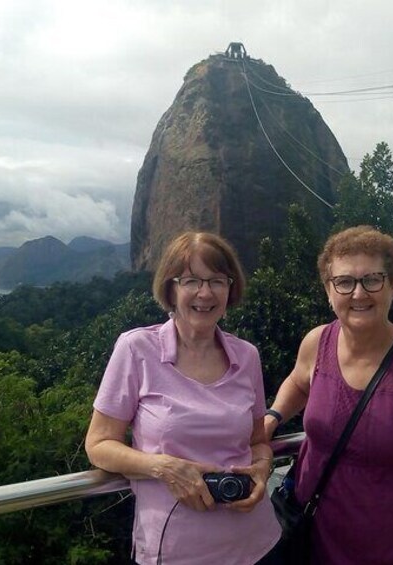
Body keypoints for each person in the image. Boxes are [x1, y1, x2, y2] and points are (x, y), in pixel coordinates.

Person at [264, 226, 393, 564]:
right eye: (344, 282)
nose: (358, 294)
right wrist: (273, 417)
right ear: (328, 290)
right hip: (312, 541)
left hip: (391, 552)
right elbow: (299, 382)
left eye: (372, 280)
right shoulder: (318, 342)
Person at [85, 232, 282, 565]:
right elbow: (99, 444)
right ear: (171, 288)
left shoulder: (246, 356)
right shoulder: (136, 349)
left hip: (257, 543)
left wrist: (262, 471)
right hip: (175, 550)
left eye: (217, 281)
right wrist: (165, 467)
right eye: (191, 280)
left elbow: (257, 441)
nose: (205, 293)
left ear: (230, 289)